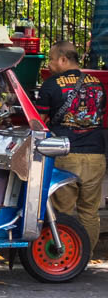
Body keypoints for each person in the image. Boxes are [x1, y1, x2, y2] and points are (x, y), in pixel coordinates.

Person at [35, 40, 105, 246]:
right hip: (96, 156)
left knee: (62, 212)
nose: (49, 64)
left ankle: (62, 255)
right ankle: (86, 256)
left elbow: (39, 123)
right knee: (89, 212)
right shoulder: (97, 83)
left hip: (66, 156)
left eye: (51, 59)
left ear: (63, 59)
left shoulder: (51, 84)